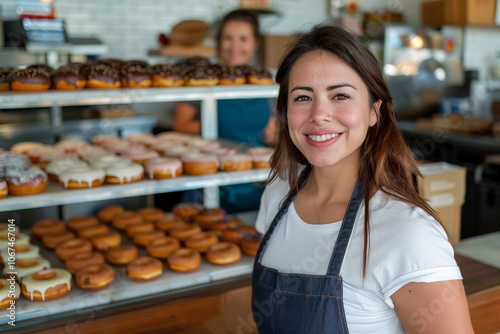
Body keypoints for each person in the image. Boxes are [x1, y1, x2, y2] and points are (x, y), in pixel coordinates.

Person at [251, 25, 474, 333]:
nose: (320, 114)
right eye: (302, 97)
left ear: (374, 112)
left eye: (340, 95)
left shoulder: (407, 233)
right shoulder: (278, 194)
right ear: (285, 111)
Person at [174, 9, 276, 213]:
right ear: (219, 42)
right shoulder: (202, 79)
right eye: (228, 38)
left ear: (255, 43)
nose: (235, 46)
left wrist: (277, 134)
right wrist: (216, 125)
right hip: (212, 182)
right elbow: (181, 125)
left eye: (243, 39)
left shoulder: (270, 81)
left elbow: (280, 130)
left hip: (259, 183)